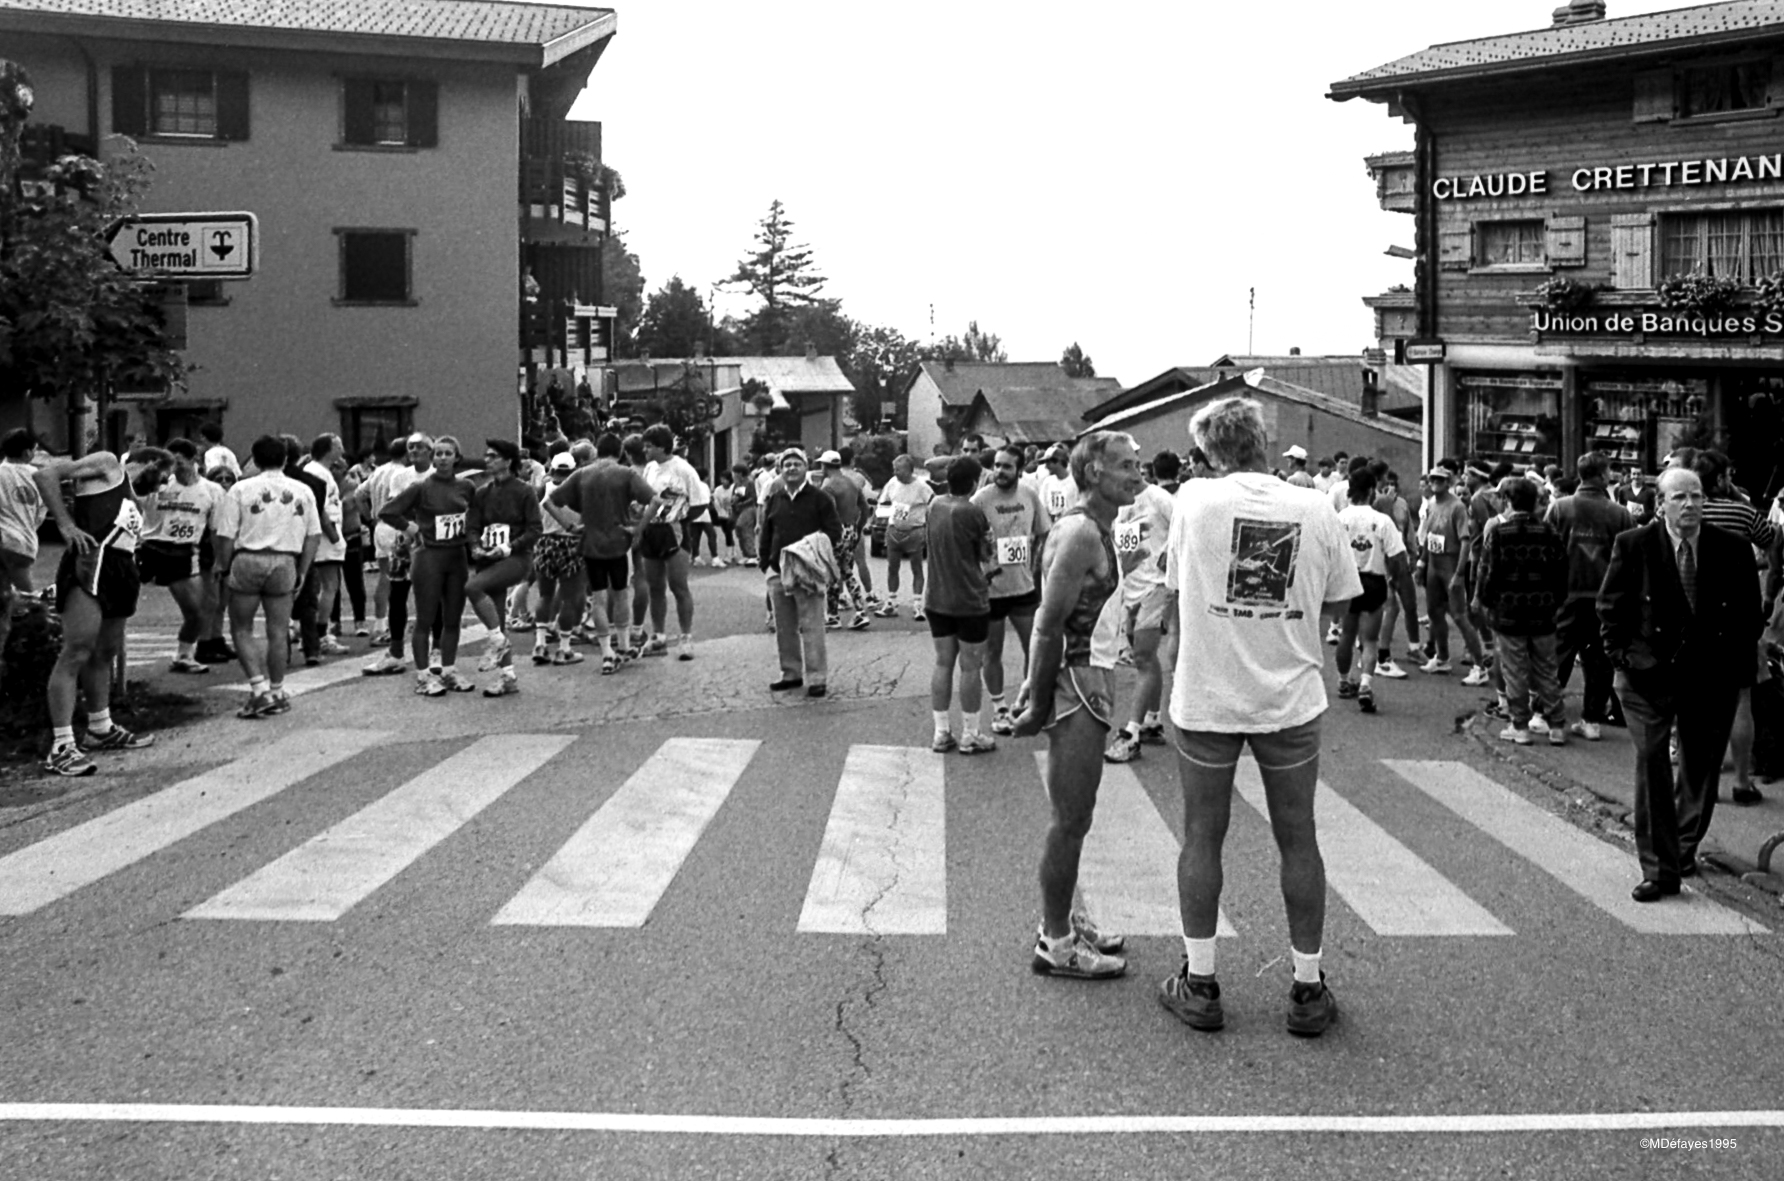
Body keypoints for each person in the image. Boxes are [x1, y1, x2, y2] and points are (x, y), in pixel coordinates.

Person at [1157, 397, 1358, 1036]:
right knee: (1299, 837)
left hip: (1208, 696)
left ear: (1209, 453)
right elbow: (1342, 599)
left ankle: (1201, 982)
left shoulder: (1193, 500)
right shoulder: (1316, 506)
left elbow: (1174, 590)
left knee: (1201, 836)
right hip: (1289, 698)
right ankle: (1307, 987)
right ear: (1264, 444)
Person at [1011, 431, 1147, 980]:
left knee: (1078, 817)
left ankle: (1064, 918)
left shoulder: (1099, 528)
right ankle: (1056, 942)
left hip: (1091, 678)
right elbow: (1047, 626)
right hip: (1075, 684)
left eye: (1138, 465)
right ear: (1093, 472)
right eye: (1126, 466)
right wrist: (1036, 697)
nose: (1138, 475)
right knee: (1070, 819)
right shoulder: (1081, 534)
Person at [1600, 466, 1761, 902]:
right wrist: (1626, 659)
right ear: (1661, 504)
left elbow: (1750, 615)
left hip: (1710, 675)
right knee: (1652, 762)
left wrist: (1733, 667)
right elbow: (1611, 610)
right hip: (1646, 675)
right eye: (1679, 497)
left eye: (1697, 496)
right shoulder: (1633, 545)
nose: (1690, 504)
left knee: (1700, 769)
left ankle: (1683, 847)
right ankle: (1660, 870)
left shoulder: (1732, 547)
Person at [35, 446, 176, 776]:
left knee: (104, 652)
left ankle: (100, 726)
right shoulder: (108, 465)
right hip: (92, 561)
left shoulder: (132, 496)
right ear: (150, 462)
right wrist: (66, 525)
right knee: (77, 649)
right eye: (162, 476)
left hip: (121, 566)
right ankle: (62, 745)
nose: (161, 485)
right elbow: (46, 474)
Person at [217, 435, 322, 719]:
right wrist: (303, 570)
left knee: (241, 628)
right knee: (278, 631)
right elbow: (314, 534)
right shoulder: (302, 490)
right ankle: (277, 690)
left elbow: (226, 534)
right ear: (286, 459)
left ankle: (258, 688)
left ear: (254, 459)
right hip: (285, 561)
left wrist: (224, 567)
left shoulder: (240, 489)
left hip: (248, 558)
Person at [1694, 449, 1775, 806]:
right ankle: (1742, 781)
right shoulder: (1741, 511)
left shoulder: (1687, 510)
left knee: (1700, 700)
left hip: (1696, 611)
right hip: (1738, 613)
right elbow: (1771, 538)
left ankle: (1706, 782)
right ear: (1721, 478)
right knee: (1741, 699)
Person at [548, 432, 657, 673]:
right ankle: (625, 645)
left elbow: (550, 501)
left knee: (598, 597)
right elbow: (656, 500)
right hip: (618, 541)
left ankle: (606, 652)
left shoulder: (582, 474)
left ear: (597, 450)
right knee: (620, 593)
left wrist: (569, 526)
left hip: (591, 542)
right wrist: (638, 528)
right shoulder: (626, 473)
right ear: (620, 452)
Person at [1545, 451, 1633, 741]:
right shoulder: (1620, 514)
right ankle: (1592, 719)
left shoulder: (1560, 508)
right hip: (1605, 597)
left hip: (1565, 593)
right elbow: (1630, 558)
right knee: (1599, 660)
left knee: (1559, 653)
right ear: (1603, 475)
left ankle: (1546, 713)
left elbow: (1545, 549)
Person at [380, 436, 477, 696]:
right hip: (429, 557)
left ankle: (448, 670)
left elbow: (476, 514)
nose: (443, 458)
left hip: (456, 557)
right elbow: (388, 511)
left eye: (448, 453)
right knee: (425, 618)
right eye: (438, 454)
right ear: (433, 458)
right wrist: (411, 528)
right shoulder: (420, 487)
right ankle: (423, 675)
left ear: (457, 458)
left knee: (452, 618)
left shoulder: (466, 486)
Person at [1474, 477, 1569, 745]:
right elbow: (1562, 571)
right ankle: (1557, 724)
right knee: (1547, 669)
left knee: (1515, 670)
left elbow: (1487, 573)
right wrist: (1555, 601)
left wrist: (1487, 601)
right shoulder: (1549, 532)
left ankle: (1520, 724)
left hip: (1509, 612)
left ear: (1508, 501)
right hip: (1543, 611)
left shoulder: (1499, 533)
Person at [971, 445, 1050, 739]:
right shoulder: (981, 499)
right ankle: (1000, 709)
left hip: (1023, 588)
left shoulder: (1029, 494)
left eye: (1006, 466)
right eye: (997, 465)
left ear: (1019, 468)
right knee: (993, 652)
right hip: (991, 591)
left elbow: (1044, 533)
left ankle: (1028, 702)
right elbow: (968, 539)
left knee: (1034, 648)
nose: (1000, 471)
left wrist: (1036, 564)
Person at [1103, 448, 1174, 760]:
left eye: (1128, 466)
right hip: (1129, 589)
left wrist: (1169, 553)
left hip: (1156, 588)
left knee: (1143, 656)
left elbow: (1185, 527)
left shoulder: (1158, 498)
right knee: (1145, 659)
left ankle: (1131, 734)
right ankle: (1152, 721)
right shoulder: (1118, 503)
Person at [924, 455, 998, 753]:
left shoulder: (934, 505)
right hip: (969, 600)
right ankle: (971, 733)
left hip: (937, 597)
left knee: (943, 662)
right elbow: (987, 554)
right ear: (974, 482)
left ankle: (941, 731)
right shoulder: (973, 512)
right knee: (970, 666)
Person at [136, 437, 226, 674]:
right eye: (171, 463)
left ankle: (184, 655)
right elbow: (136, 490)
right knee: (119, 605)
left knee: (196, 611)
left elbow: (216, 530)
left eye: (180, 462)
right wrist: (154, 469)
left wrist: (219, 560)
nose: (176, 468)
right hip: (151, 547)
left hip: (183, 551)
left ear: (194, 460)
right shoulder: (160, 484)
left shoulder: (212, 491)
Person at [759, 448, 841, 697]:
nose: (791, 468)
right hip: (777, 570)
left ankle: (817, 678)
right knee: (784, 627)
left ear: (806, 468)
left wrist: (809, 549)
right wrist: (765, 563)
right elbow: (766, 531)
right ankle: (791, 674)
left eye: (796, 464)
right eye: (787, 465)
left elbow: (834, 532)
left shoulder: (820, 498)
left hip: (807, 571)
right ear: (780, 470)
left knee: (812, 625)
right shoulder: (776, 498)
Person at [464, 439, 543, 697]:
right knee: (496, 619)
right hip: (488, 558)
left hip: (515, 558)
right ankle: (508, 676)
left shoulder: (524, 491)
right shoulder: (482, 493)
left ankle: (497, 642)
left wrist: (508, 547)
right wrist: (475, 547)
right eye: (486, 456)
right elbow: (472, 526)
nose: (487, 460)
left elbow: (535, 529)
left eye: (493, 456)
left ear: (508, 461)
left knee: (472, 587)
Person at [1333, 468, 1406, 715]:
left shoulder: (1340, 518)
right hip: (1374, 580)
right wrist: (1394, 577)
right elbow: (1397, 556)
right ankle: (1365, 683)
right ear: (1372, 490)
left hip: (1347, 579)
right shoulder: (1382, 520)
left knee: (1346, 634)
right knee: (1370, 639)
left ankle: (1343, 681)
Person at [1416, 466, 1487, 680]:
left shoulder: (1457, 507)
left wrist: (1459, 573)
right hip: (1434, 563)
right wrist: (1422, 563)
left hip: (1450, 562)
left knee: (1459, 615)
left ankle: (1479, 666)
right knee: (1434, 612)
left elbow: (1465, 540)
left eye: (1440, 479)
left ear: (1448, 482)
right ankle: (1442, 657)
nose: (1435, 483)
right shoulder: (1431, 504)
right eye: (1433, 479)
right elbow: (1429, 536)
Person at [639, 425, 699, 660]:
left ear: (662, 447)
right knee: (655, 586)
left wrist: (679, 519)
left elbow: (700, 503)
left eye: (649, 446)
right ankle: (659, 634)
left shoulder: (684, 469)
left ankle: (686, 637)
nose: (645, 450)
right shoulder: (650, 468)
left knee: (678, 585)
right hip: (651, 530)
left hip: (674, 530)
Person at [531, 451, 587, 665]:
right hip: (571, 543)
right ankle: (564, 647)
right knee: (569, 598)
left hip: (545, 543)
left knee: (545, 595)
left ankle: (540, 642)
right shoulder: (579, 491)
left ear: (552, 469)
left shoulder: (542, 489)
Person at [0, 429, 47, 676]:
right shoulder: (38, 476)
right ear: (28, 452)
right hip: (21, 544)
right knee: (30, 602)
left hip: (3, 540)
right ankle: (36, 649)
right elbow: (41, 514)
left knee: (6, 600)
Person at [300, 434, 348, 663]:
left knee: (326, 585)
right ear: (329, 449)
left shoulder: (323, 471)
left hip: (327, 533)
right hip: (326, 537)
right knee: (329, 585)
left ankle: (314, 632)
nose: (342, 449)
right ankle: (320, 634)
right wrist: (334, 535)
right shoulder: (317, 472)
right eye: (338, 445)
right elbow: (319, 507)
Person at [1371, 466, 1419, 678]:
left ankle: (1414, 647)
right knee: (1390, 606)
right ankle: (1380, 654)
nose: (1389, 487)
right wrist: (1386, 503)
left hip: (1401, 557)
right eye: (1386, 482)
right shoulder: (1377, 502)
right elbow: (1383, 526)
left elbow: (1408, 530)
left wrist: (1413, 554)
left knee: (1409, 604)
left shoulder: (1402, 504)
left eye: (1393, 484)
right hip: (1383, 561)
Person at [818, 450, 873, 631]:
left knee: (838, 572)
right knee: (842, 571)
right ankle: (846, 613)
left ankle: (844, 614)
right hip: (851, 529)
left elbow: (830, 513)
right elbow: (865, 508)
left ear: (825, 466)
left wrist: (824, 532)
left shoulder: (828, 487)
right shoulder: (852, 483)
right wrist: (858, 527)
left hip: (836, 532)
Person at [876, 453, 934, 620]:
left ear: (909, 470)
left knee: (916, 567)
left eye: (899, 470)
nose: (895, 473)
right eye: (894, 469)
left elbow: (933, 503)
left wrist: (927, 524)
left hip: (914, 531)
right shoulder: (892, 483)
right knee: (892, 567)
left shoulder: (921, 486)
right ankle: (891, 602)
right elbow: (883, 500)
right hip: (894, 530)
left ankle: (917, 604)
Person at [1034, 444, 1078, 521]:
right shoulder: (1048, 482)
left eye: (1048, 463)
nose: (1046, 467)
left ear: (1058, 462)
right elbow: (1042, 507)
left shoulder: (1075, 482)